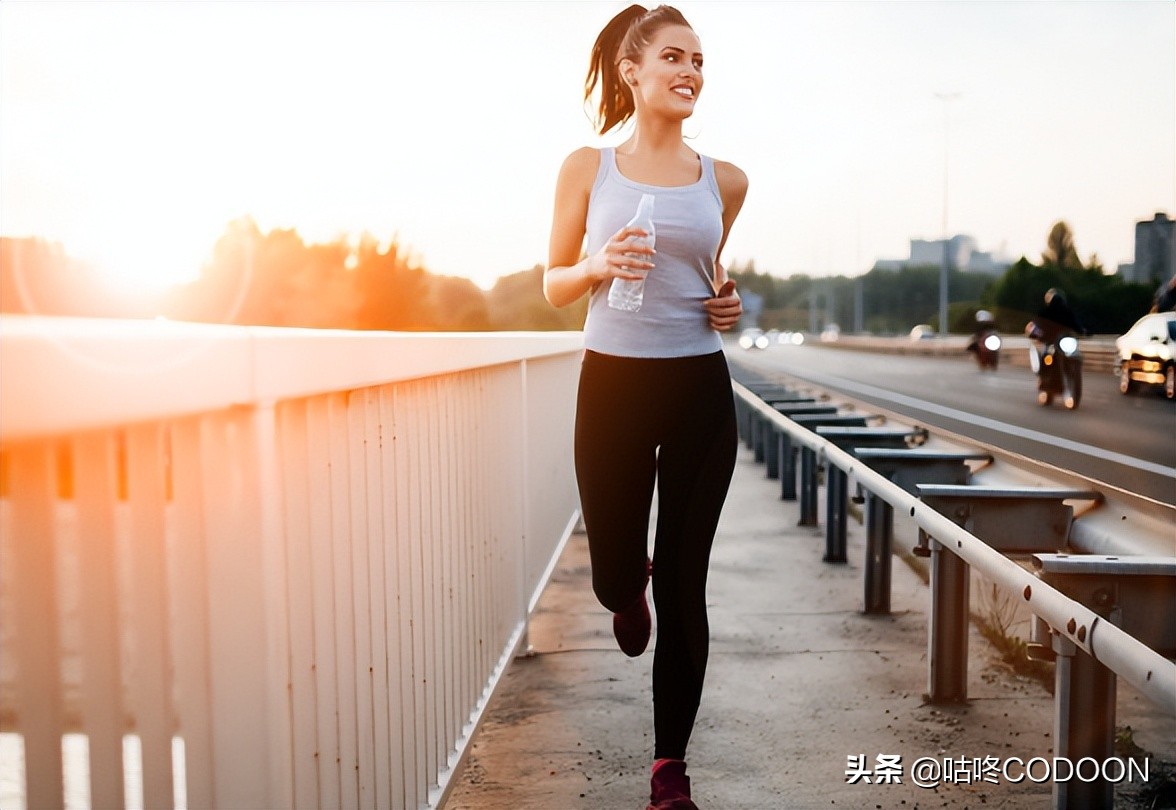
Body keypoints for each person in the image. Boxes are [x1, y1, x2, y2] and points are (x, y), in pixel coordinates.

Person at [542, 5, 746, 809]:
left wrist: (728, 305)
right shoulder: (587, 169)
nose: (691, 71)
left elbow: (712, 279)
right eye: (674, 56)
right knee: (615, 575)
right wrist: (597, 262)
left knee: (687, 583)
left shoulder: (725, 180)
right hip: (614, 387)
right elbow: (554, 283)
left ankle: (669, 771)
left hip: (700, 391)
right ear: (632, 71)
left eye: (700, 60)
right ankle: (627, 589)